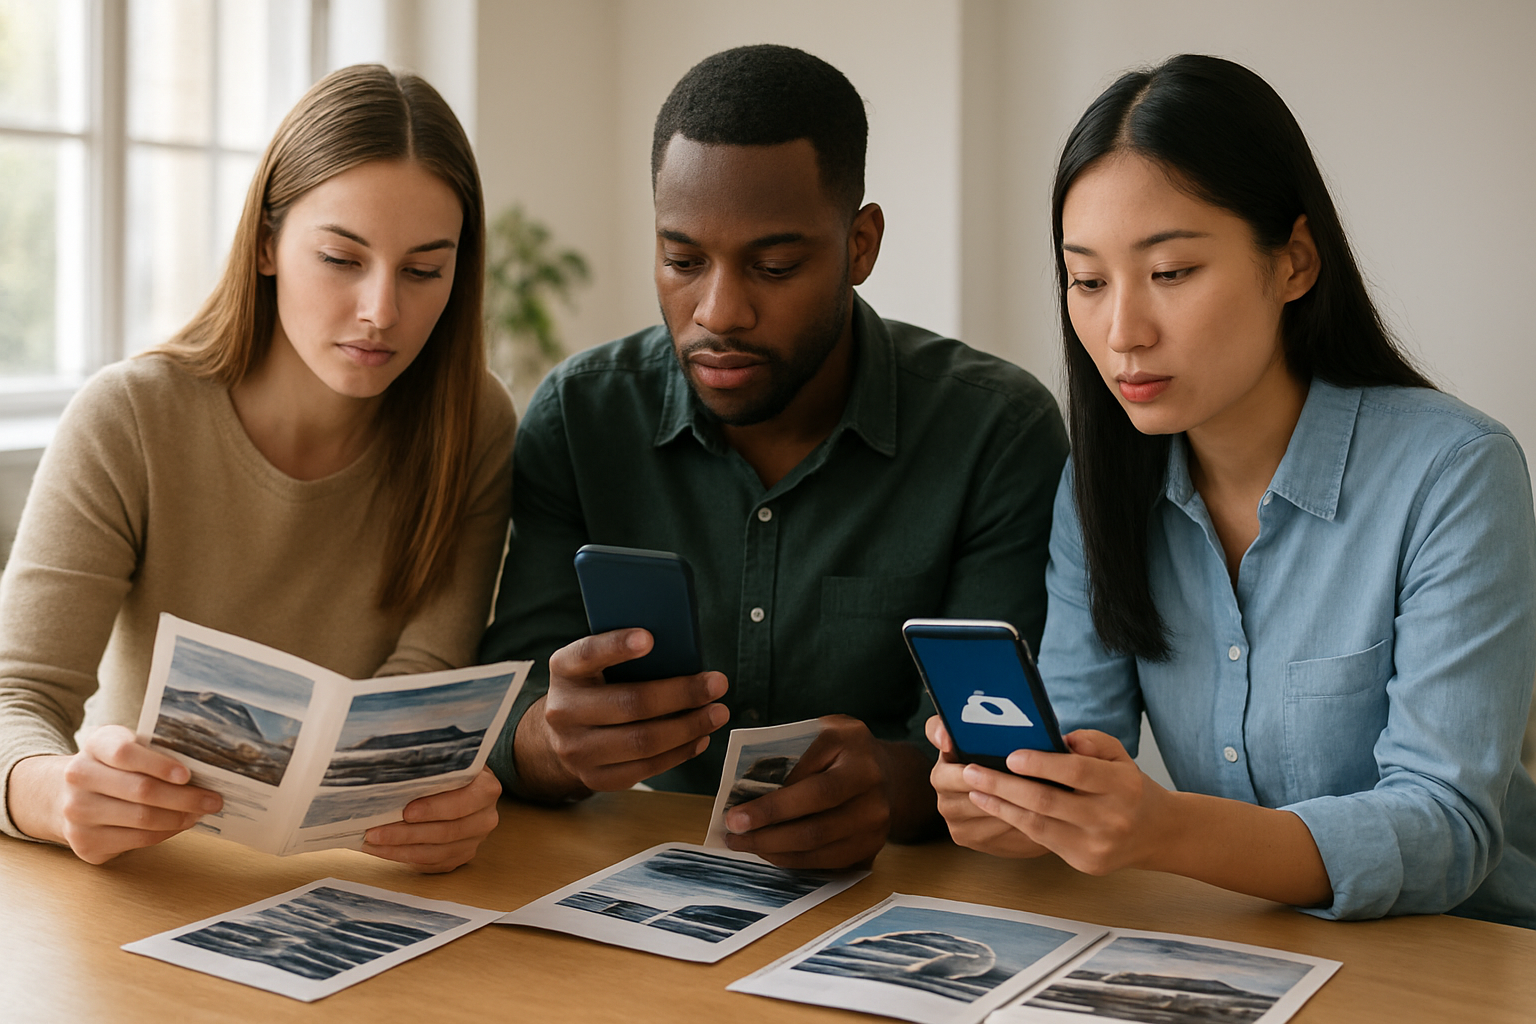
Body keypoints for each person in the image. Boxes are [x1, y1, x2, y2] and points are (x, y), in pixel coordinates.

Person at [929, 54, 1536, 928]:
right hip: (1246, 951)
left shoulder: (1454, 471)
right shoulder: (1099, 489)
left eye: (1171, 272)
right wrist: (1015, 801)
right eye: (1088, 281)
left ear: (1294, 262)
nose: (1123, 332)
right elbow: (1082, 738)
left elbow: (1447, 827)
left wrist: (1162, 829)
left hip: (1464, 958)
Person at [481, 44, 1067, 870]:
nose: (718, 312)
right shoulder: (580, 417)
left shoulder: (995, 434)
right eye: (682, 261)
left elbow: (994, 752)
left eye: (775, 266)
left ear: (860, 245)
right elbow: (506, 708)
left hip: (903, 896)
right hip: (642, 883)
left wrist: (887, 786)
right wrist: (552, 741)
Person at [0, 65, 517, 873]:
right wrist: (54, 795)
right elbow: (16, 696)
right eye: (341, 258)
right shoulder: (129, 417)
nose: (381, 311)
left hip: (353, 885)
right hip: (144, 876)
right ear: (268, 242)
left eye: (424, 271)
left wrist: (435, 804)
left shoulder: (472, 424)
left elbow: (421, 685)